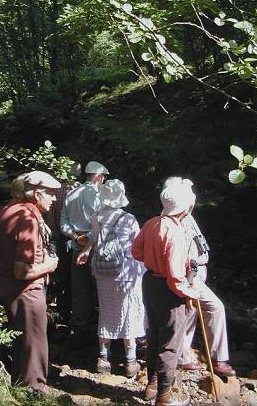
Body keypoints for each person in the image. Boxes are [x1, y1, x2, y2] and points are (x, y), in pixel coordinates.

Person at [132, 181, 200, 406]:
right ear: (185, 208)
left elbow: (136, 251)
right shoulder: (176, 232)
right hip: (168, 289)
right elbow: (174, 275)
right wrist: (189, 292)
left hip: (149, 282)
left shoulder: (152, 223)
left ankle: (151, 385)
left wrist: (154, 260)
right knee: (170, 343)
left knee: (153, 336)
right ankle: (163, 397)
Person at [0, 171, 61, 392]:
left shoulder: (11, 209)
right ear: (35, 194)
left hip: (8, 288)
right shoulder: (28, 220)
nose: (54, 199)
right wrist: (49, 266)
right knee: (34, 344)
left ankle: (20, 384)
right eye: (50, 194)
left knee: (22, 343)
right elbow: (22, 271)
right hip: (26, 292)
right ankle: (33, 392)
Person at [162, 177, 235, 378]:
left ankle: (183, 356)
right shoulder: (174, 222)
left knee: (191, 312)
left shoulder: (185, 217)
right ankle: (219, 358)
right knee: (215, 307)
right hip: (188, 276)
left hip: (193, 273)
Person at [77, 179, 147, 378]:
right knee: (129, 313)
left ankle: (103, 358)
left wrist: (86, 251)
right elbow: (138, 247)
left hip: (103, 271)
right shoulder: (129, 219)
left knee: (106, 311)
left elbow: (96, 239)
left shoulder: (97, 216)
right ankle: (130, 361)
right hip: (126, 274)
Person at [60, 161, 109, 335]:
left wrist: (75, 237)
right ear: (99, 176)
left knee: (79, 286)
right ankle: (101, 322)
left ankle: (80, 322)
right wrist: (88, 238)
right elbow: (102, 222)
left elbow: (63, 223)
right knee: (100, 285)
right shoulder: (101, 195)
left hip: (76, 244)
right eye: (103, 177)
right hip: (96, 245)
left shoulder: (71, 193)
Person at [45, 162, 82, 322]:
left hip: (61, 237)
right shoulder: (81, 189)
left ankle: (63, 309)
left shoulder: (56, 190)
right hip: (80, 237)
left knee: (63, 273)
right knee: (78, 274)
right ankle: (78, 310)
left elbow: (52, 219)